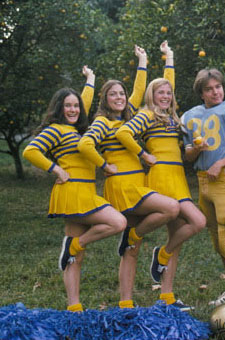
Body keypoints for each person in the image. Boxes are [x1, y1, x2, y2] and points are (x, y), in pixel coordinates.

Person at [77, 43, 182, 309]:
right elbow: (85, 144)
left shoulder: (130, 116)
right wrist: (103, 164)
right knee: (171, 208)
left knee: (131, 251)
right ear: (105, 99)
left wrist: (145, 60)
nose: (120, 97)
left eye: (121, 94)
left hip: (138, 183)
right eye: (113, 94)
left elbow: (142, 90)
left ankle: (126, 302)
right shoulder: (103, 122)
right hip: (123, 185)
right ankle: (131, 236)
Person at [22, 67, 127, 312]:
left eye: (75, 106)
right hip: (72, 192)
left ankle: (74, 307)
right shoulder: (55, 130)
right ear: (58, 108)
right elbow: (30, 151)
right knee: (117, 222)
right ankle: (75, 245)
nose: (73, 110)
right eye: (67, 106)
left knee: (75, 259)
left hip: (85, 192)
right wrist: (56, 170)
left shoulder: (78, 130)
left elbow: (85, 101)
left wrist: (90, 80)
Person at [116, 45, 206, 311]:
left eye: (168, 93)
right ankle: (127, 296)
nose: (165, 96)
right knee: (190, 221)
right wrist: (143, 154)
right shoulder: (146, 114)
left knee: (188, 228)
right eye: (160, 93)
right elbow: (123, 133)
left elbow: (170, 84)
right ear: (151, 96)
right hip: (158, 177)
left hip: (177, 177)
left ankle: (166, 290)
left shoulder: (171, 118)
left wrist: (171, 57)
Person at [179, 68, 225, 307]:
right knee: (216, 241)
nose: (215, 92)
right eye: (209, 89)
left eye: (218, 87)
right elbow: (188, 157)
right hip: (203, 182)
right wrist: (195, 150)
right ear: (201, 93)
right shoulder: (191, 116)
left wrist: (221, 162)